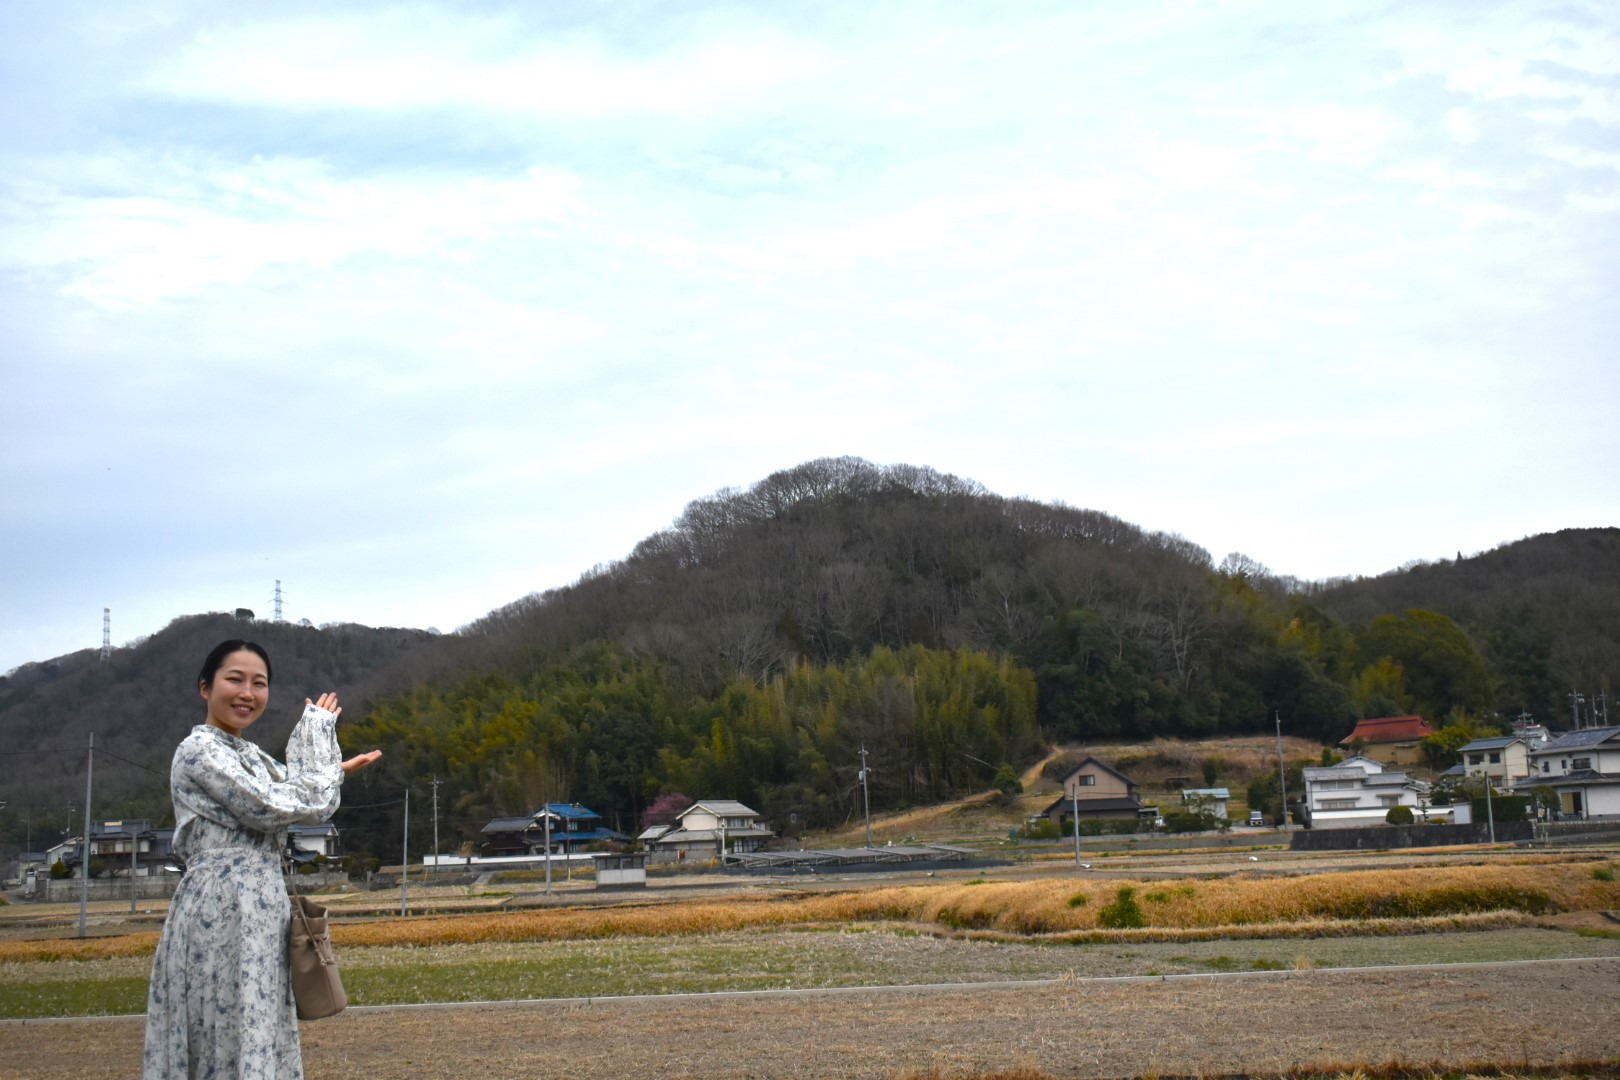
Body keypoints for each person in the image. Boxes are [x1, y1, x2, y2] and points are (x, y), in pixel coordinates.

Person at [143, 640, 382, 1079]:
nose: (247, 693)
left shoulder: (252, 758)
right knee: (220, 1025)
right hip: (220, 907)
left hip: (265, 911)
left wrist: (323, 746)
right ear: (205, 687)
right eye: (234, 679)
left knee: (258, 1026)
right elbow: (270, 805)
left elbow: (308, 800)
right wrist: (327, 772)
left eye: (259, 683)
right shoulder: (198, 752)